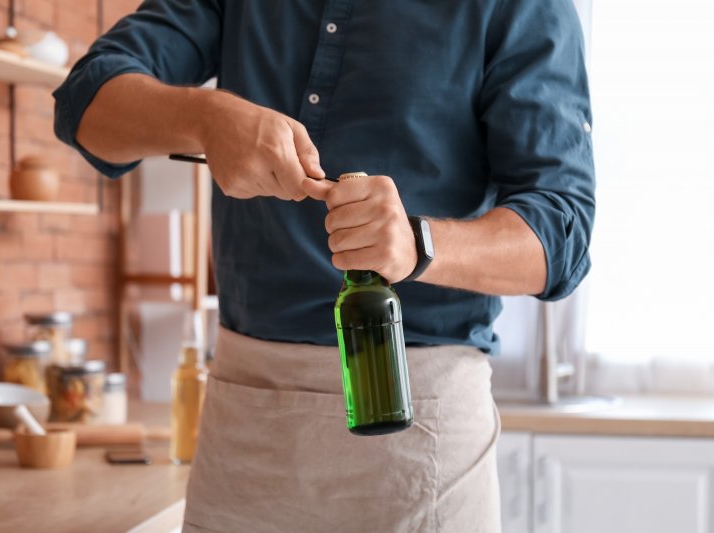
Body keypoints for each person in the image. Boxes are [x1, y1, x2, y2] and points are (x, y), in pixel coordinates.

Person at [54, 0, 594, 531]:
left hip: (418, 429)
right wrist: (206, 116)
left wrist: (416, 241)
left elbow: (560, 234)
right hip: (244, 419)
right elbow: (85, 103)